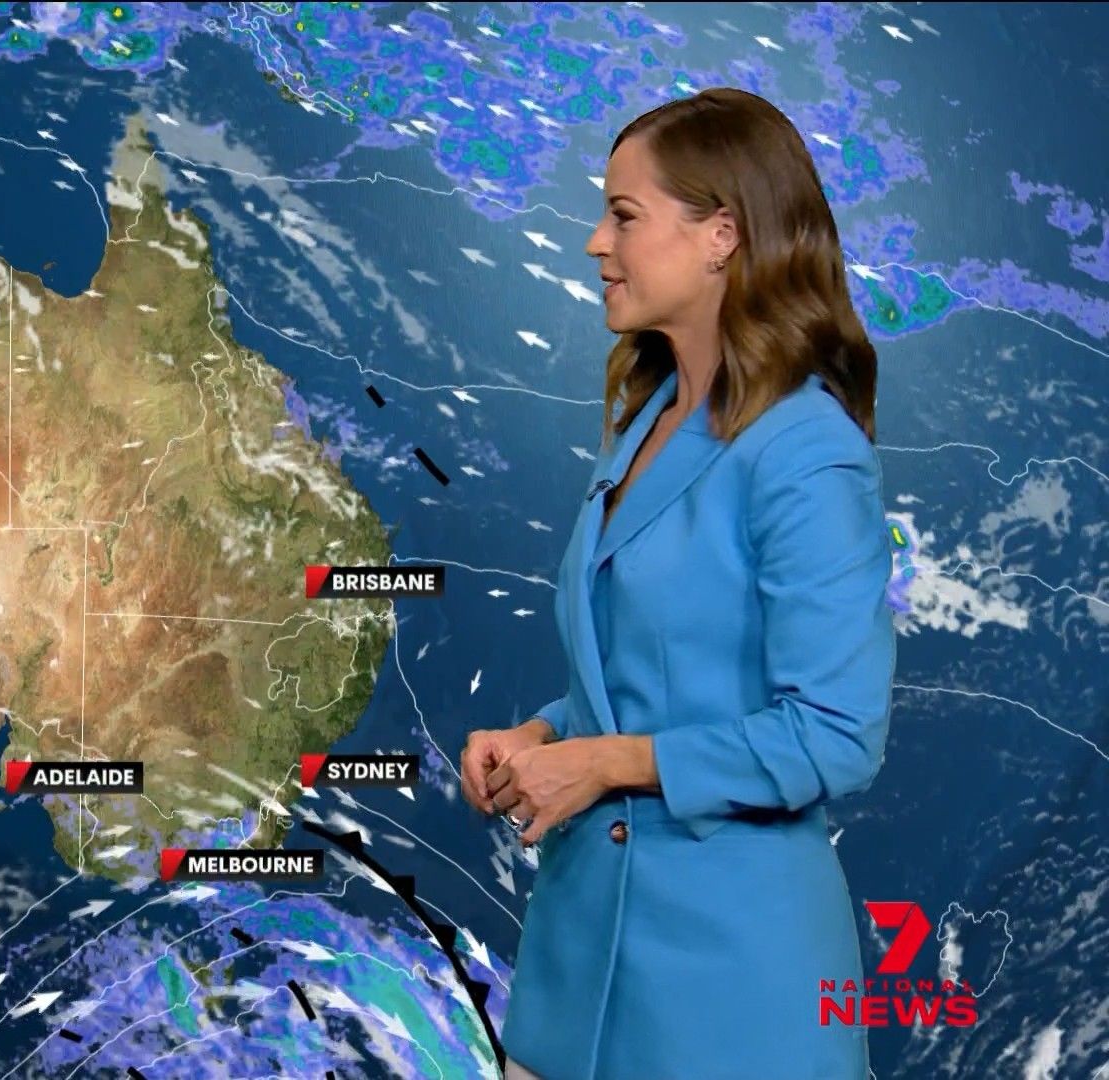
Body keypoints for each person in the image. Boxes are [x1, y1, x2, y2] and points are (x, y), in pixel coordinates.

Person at [460, 88, 897, 1080]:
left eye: (623, 216)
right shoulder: (651, 416)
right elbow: (651, 674)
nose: (595, 243)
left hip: (729, 1004)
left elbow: (836, 733)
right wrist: (544, 738)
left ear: (721, 236)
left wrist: (608, 764)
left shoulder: (806, 451)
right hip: (578, 987)